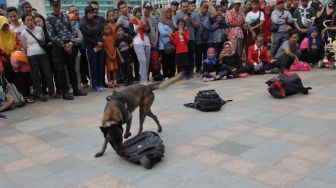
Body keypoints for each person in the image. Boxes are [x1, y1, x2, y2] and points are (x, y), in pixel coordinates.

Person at [46, 0, 87, 100]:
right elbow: (52, 36)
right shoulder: (49, 19)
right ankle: (65, 92)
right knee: (61, 70)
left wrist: (70, 43)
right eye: (55, 5)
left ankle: (76, 90)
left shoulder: (65, 16)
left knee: (72, 68)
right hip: (58, 47)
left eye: (58, 5)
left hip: (70, 44)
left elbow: (72, 30)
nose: (57, 7)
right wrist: (64, 44)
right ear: (51, 6)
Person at [21, 13, 55, 101]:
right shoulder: (24, 33)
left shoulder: (39, 29)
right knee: (36, 75)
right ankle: (40, 94)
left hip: (42, 53)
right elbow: (25, 46)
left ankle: (52, 92)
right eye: (27, 20)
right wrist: (31, 51)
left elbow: (43, 40)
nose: (30, 22)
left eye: (31, 19)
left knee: (48, 73)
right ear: (24, 22)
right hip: (31, 56)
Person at [34, 14, 61, 98]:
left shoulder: (49, 29)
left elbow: (54, 41)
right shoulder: (35, 32)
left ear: (43, 20)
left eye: (39, 21)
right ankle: (46, 90)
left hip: (53, 54)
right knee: (46, 74)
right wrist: (48, 44)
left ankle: (58, 89)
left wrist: (49, 44)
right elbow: (41, 44)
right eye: (36, 22)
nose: (38, 23)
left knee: (56, 72)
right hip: (43, 56)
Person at [80, 5, 105, 92]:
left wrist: (99, 43)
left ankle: (100, 83)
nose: (91, 14)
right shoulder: (83, 22)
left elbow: (100, 32)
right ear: (86, 13)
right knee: (93, 67)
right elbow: (86, 36)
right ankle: (94, 85)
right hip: (90, 47)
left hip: (99, 46)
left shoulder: (96, 21)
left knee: (100, 66)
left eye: (92, 12)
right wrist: (95, 43)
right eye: (89, 13)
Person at [176, 0, 200, 77]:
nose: (185, 8)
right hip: (181, 40)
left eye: (187, 6)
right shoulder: (177, 14)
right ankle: (182, 73)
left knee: (191, 56)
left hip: (191, 38)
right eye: (184, 6)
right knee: (182, 57)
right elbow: (175, 27)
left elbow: (197, 26)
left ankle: (190, 72)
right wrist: (182, 20)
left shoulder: (194, 14)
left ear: (189, 6)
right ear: (181, 6)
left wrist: (191, 20)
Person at [129, 7, 151, 85]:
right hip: (138, 42)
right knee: (142, 60)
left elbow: (149, 31)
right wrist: (138, 27)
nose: (138, 13)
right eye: (137, 12)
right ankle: (142, 80)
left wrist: (145, 26)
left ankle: (146, 79)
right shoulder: (132, 22)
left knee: (147, 61)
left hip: (146, 42)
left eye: (139, 12)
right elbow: (131, 33)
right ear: (134, 13)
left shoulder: (145, 20)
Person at [195, 1, 217, 75]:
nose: (205, 9)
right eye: (204, 7)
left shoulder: (208, 15)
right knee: (198, 57)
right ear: (200, 7)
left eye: (206, 8)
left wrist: (210, 5)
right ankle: (198, 70)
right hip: (198, 40)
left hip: (208, 40)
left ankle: (206, 70)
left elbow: (215, 14)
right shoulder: (196, 15)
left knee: (206, 56)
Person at [143, 1, 161, 81]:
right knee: (146, 61)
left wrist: (156, 41)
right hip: (146, 43)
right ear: (143, 8)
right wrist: (150, 43)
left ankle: (156, 74)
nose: (148, 10)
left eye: (149, 8)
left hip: (154, 43)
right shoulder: (141, 18)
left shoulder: (154, 18)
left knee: (155, 60)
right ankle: (145, 77)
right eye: (146, 8)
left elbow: (156, 30)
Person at [158, 6, 177, 79]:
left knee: (172, 60)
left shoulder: (173, 19)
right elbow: (161, 31)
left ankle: (172, 75)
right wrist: (168, 33)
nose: (169, 13)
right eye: (167, 12)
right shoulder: (161, 21)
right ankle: (166, 75)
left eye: (170, 12)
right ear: (163, 12)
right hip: (164, 45)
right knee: (165, 61)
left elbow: (175, 28)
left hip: (172, 43)